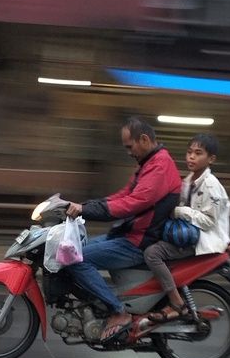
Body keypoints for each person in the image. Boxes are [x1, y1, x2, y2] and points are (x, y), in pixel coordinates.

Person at [65, 116, 181, 342]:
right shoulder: (148, 164)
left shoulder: (160, 166)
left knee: (76, 258)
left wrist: (87, 210)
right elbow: (123, 195)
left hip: (139, 241)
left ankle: (118, 311)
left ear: (144, 139)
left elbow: (134, 202)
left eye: (130, 146)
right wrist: (87, 205)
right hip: (129, 233)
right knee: (78, 247)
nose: (128, 152)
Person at [142, 133, 230, 323]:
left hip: (203, 239)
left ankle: (176, 303)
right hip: (188, 233)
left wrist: (182, 211)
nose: (191, 157)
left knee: (152, 253)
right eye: (189, 152)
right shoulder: (189, 180)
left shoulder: (211, 185)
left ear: (211, 159)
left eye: (198, 153)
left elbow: (208, 221)